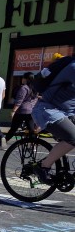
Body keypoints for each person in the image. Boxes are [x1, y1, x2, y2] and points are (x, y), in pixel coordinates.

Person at [30, 56, 75, 184]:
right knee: (73, 137)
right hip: (48, 110)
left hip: (68, 112)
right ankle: (43, 167)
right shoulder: (73, 67)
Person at [4, 72, 38, 142]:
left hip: (21, 111)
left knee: (13, 128)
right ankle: (33, 144)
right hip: (31, 111)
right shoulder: (35, 88)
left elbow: (19, 101)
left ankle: (4, 142)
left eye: (23, 78)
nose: (22, 79)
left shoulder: (24, 88)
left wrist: (13, 111)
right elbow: (36, 99)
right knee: (31, 130)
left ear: (26, 79)